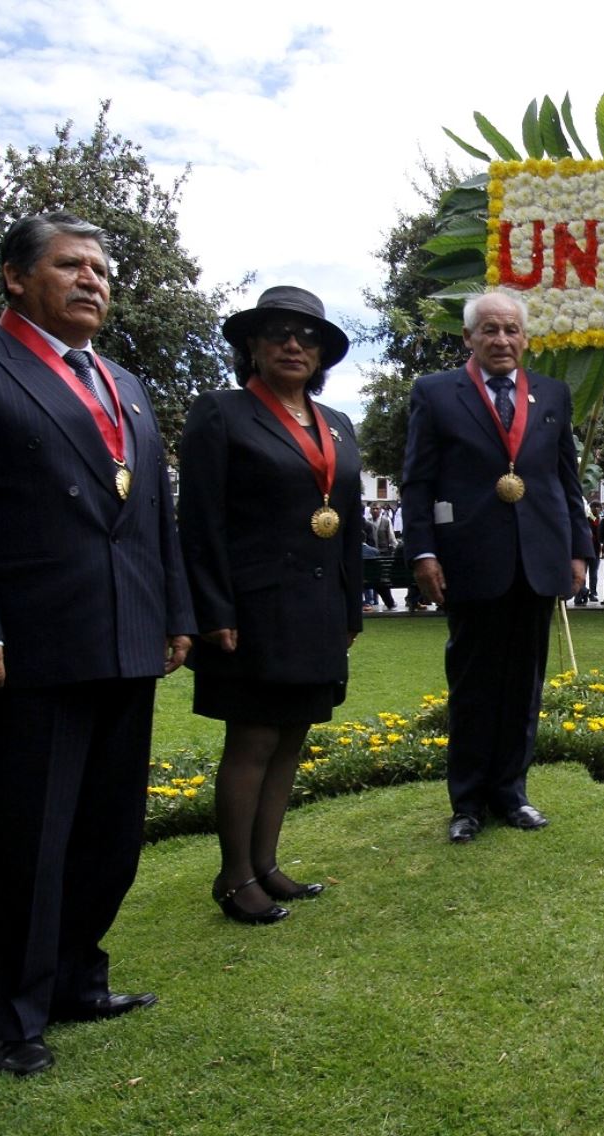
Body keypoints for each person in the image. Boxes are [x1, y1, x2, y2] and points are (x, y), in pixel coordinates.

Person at [0, 211, 195, 1076]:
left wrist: (173, 611)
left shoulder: (125, 383)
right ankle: (15, 1020)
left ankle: (76, 980)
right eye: (71, 265)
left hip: (127, 638)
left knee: (109, 832)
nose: (93, 280)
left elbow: (152, 517)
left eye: (101, 268)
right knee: (31, 837)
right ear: (17, 278)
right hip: (28, 647)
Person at [178, 285, 363, 925]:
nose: (293, 344)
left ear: (321, 354)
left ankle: (267, 864)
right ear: (252, 347)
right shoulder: (221, 413)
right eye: (278, 333)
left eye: (306, 335)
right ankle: (233, 878)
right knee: (253, 738)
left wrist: (350, 611)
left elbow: (349, 523)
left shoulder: (338, 424)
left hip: (317, 608)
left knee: (292, 737)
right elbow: (198, 523)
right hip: (250, 609)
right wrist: (211, 610)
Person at [400, 289, 593, 843]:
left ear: (525, 338)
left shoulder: (551, 394)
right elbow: (418, 481)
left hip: (538, 560)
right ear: (469, 338)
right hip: (469, 562)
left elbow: (565, 479)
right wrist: (423, 551)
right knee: (472, 684)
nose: (501, 339)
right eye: (489, 330)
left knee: (524, 684)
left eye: (511, 330)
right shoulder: (436, 394)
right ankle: (467, 804)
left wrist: (578, 548)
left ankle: (512, 792)